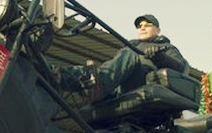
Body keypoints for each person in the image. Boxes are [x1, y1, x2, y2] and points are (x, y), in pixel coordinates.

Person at [59, 14, 189, 102]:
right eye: (140, 26)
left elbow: (181, 67)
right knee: (93, 74)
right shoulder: (128, 47)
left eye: (147, 25)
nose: (142, 28)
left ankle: (99, 85)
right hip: (119, 88)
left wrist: (160, 58)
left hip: (144, 81)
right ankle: (57, 75)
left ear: (158, 30)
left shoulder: (165, 47)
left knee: (128, 53)